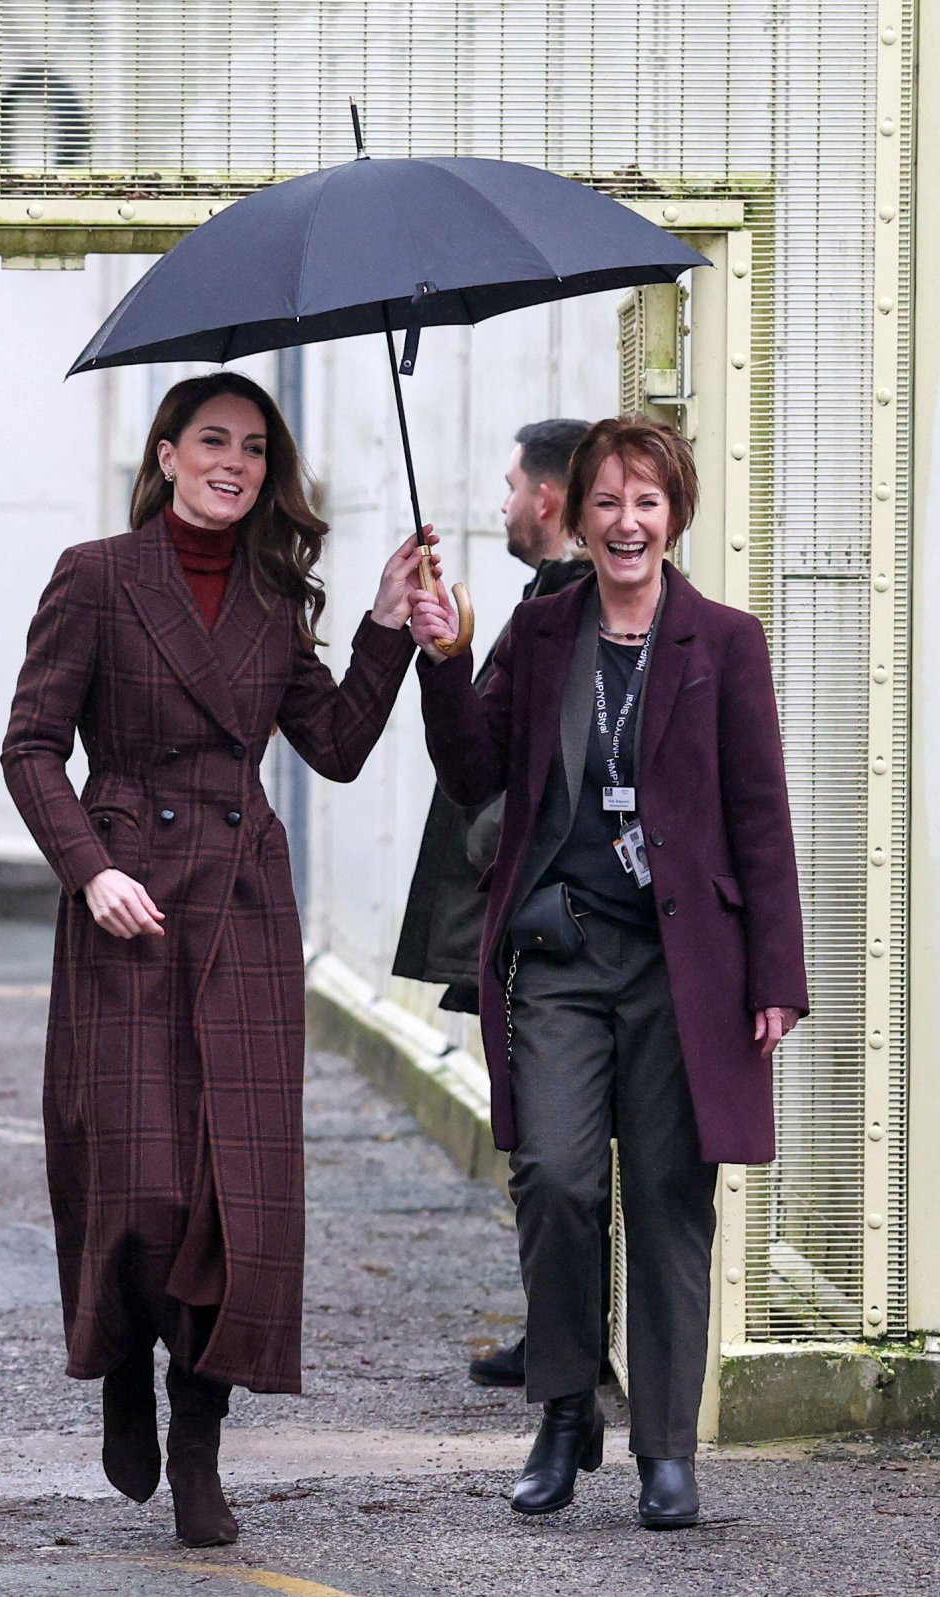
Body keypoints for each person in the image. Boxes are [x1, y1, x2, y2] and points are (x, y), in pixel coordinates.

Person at [2, 371, 426, 1547]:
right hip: (125, 906)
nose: (234, 462)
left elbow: (334, 747)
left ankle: (200, 1446)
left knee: (229, 1200)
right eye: (213, 441)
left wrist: (389, 621)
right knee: (138, 1182)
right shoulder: (97, 575)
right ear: (169, 451)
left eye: (253, 447)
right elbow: (32, 745)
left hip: (242, 909)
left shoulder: (272, 594)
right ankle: (128, 1366)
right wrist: (91, 868)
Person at [407, 415, 807, 1529]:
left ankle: (667, 1450)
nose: (626, 524)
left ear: (674, 512)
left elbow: (759, 816)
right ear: (576, 517)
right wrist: (443, 660)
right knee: (559, 1178)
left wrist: (776, 971)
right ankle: (566, 1406)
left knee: (674, 1199)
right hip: (562, 951)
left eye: (647, 502)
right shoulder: (541, 634)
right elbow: (475, 769)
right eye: (606, 503)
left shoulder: (726, 640)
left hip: (688, 963)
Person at [392, 419, 594, 1390]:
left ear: (547, 498)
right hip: (519, 908)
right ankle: (560, 1328)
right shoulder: (535, 607)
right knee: (544, 1138)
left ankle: (570, 1339)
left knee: (550, 1139)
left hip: (552, 917)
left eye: (512, 484)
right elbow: (474, 757)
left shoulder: (582, 610)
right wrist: (446, 650)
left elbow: (495, 777)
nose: (502, 501)